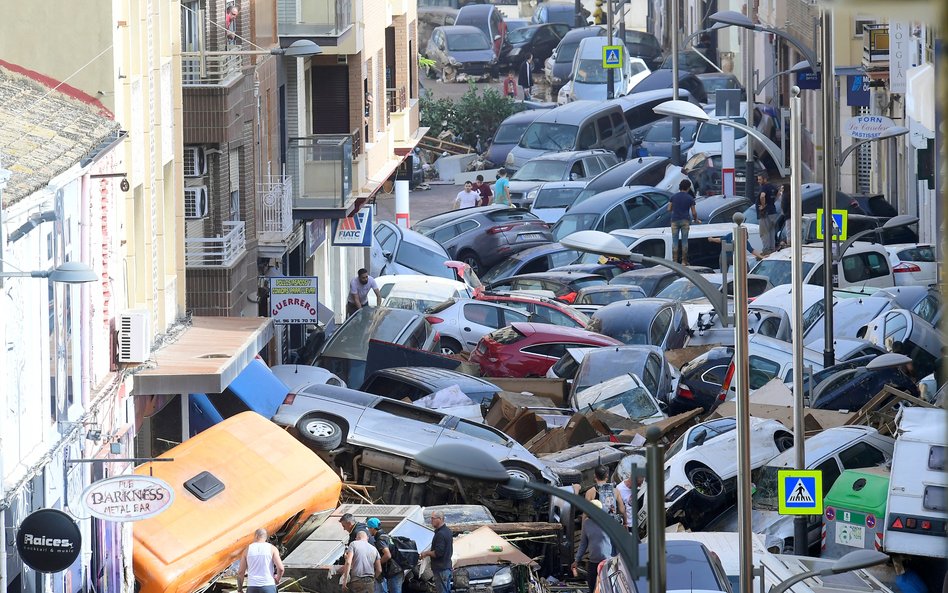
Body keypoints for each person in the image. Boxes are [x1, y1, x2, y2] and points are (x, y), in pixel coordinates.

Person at [571, 500, 612, 593]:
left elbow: (616, 542)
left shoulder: (609, 522)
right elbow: (583, 543)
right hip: (593, 562)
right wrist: (577, 560)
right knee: (592, 587)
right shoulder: (587, 523)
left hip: (607, 562)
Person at [237, 528, 284, 593]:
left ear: (256, 536)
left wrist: (240, 589)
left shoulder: (247, 550)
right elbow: (281, 568)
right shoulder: (272, 549)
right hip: (268, 586)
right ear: (266, 537)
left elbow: (241, 572)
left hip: (252, 587)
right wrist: (277, 580)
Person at [668, 179, 700, 265]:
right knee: (684, 241)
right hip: (685, 220)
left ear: (680, 187)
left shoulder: (673, 197)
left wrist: (675, 211)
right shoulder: (690, 198)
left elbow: (669, 209)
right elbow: (694, 212)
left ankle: (674, 261)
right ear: (688, 188)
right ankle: (684, 261)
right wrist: (696, 219)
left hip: (674, 220)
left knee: (675, 240)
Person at [420, 510, 453, 593]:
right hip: (446, 567)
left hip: (441, 569)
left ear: (440, 519)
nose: (431, 521)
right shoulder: (447, 531)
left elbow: (438, 553)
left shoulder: (441, 534)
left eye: (433, 518)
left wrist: (426, 553)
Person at [615, 456, 645, 533]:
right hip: (628, 526)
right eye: (638, 484)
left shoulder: (638, 488)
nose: (639, 486)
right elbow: (619, 510)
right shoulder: (619, 489)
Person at [756, 172, 779, 254]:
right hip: (773, 212)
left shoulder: (764, 187)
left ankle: (766, 250)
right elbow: (778, 193)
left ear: (765, 179)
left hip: (765, 213)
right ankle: (772, 249)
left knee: (764, 232)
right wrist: (772, 202)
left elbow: (762, 196)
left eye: (760, 179)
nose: (758, 181)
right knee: (771, 231)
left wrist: (763, 206)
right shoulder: (773, 186)